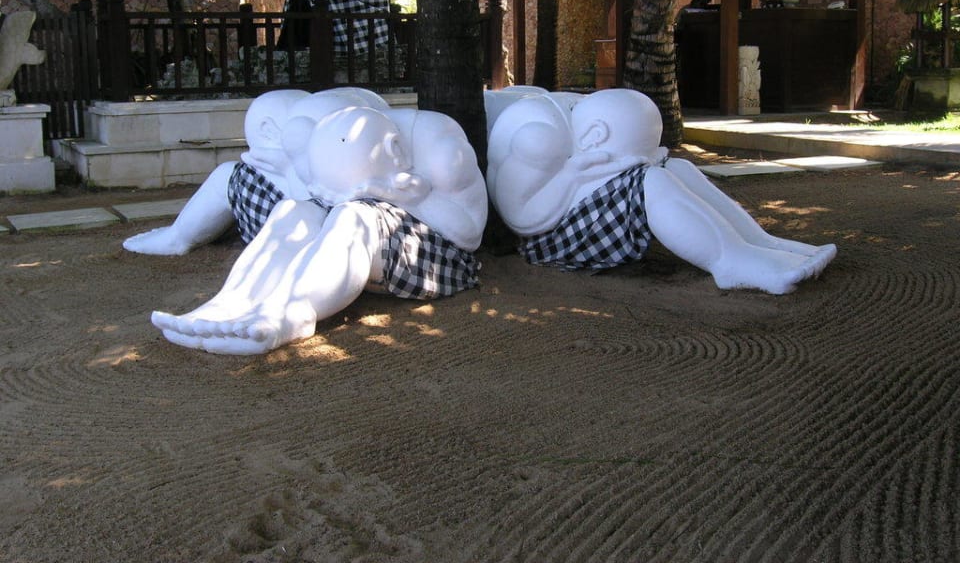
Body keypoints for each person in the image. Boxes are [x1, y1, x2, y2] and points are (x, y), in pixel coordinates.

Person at [149, 104, 488, 355]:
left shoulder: (441, 151)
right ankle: (232, 301)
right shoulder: (331, 136)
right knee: (293, 209)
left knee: (355, 216)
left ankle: (293, 313)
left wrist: (402, 196)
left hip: (442, 258)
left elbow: (469, 235)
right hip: (373, 257)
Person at [485, 88, 837, 295]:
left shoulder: (580, 118)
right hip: (548, 240)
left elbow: (626, 159)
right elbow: (522, 218)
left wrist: (617, 164)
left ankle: (759, 243)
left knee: (677, 167)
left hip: (578, 206)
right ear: (595, 136)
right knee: (652, 181)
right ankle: (728, 262)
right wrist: (574, 174)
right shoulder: (536, 139)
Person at [123, 87, 389, 255]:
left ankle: (178, 237)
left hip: (324, 237)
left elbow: (314, 204)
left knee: (227, 174)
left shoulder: (303, 152)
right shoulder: (362, 120)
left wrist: (290, 167)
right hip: (379, 224)